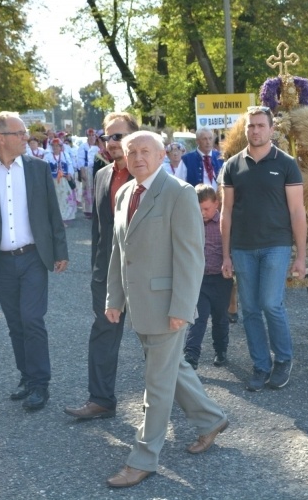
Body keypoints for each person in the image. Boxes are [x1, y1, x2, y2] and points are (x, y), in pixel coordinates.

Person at [104, 131, 228, 488]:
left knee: (156, 384)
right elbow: (118, 251)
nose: (137, 157)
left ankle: (143, 459)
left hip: (167, 306)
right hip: (138, 303)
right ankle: (211, 419)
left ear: (162, 155)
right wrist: (115, 298)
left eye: (145, 150)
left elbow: (191, 256)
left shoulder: (179, 193)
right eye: (131, 151)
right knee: (172, 369)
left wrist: (183, 307)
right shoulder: (126, 193)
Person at [0, 111, 69, 412]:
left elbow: (53, 213)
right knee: (15, 323)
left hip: (34, 257)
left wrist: (60, 250)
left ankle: (40, 383)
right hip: (1, 262)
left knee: (32, 319)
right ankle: (26, 377)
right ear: (1, 138)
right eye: (20, 133)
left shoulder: (38, 168)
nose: (27, 138)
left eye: (25, 133)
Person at [220, 106, 306, 392]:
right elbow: (226, 212)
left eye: (260, 125)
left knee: (271, 303)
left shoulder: (286, 164)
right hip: (242, 248)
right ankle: (260, 365)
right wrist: (225, 255)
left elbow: (297, 211)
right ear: (246, 130)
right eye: (251, 126)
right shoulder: (233, 165)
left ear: (271, 129)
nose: (255, 130)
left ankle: (283, 359)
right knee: (250, 310)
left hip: (275, 245)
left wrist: (302, 256)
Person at [63, 112, 136, 421]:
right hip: (108, 272)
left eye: (119, 136)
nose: (112, 143)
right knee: (103, 333)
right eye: (108, 137)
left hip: (146, 274)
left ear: (134, 136)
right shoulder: (103, 174)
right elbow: (100, 229)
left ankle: (191, 408)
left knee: (157, 343)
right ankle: (101, 400)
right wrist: (97, 269)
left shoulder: (150, 173)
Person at [183, 184, 231, 370]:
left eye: (206, 208)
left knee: (220, 317)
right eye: (198, 208)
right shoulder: (190, 224)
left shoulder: (223, 224)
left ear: (216, 204)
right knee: (198, 317)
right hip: (199, 280)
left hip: (220, 279)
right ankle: (191, 355)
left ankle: (221, 350)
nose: (202, 213)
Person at [46, 138, 77, 224]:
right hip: (53, 180)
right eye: (53, 146)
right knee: (56, 199)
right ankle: (57, 219)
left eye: (57, 146)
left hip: (64, 180)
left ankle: (65, 217)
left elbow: (70, 165)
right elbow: (45, 168)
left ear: (61, 147)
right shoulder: (48, 156)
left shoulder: (65, 155)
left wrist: (70, 175)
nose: (55, 148)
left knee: (65, 198)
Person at [76, 128, 100, 218]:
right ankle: (88, 210)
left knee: (96, 189)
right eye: (89, 135)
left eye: (93, 135)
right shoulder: (83, 147)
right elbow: (80, 159)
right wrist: (82, 172)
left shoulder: (98, 146)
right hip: (87, 169)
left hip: (97, 169)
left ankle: (96, 209)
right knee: (87, 189)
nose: (91, 137)